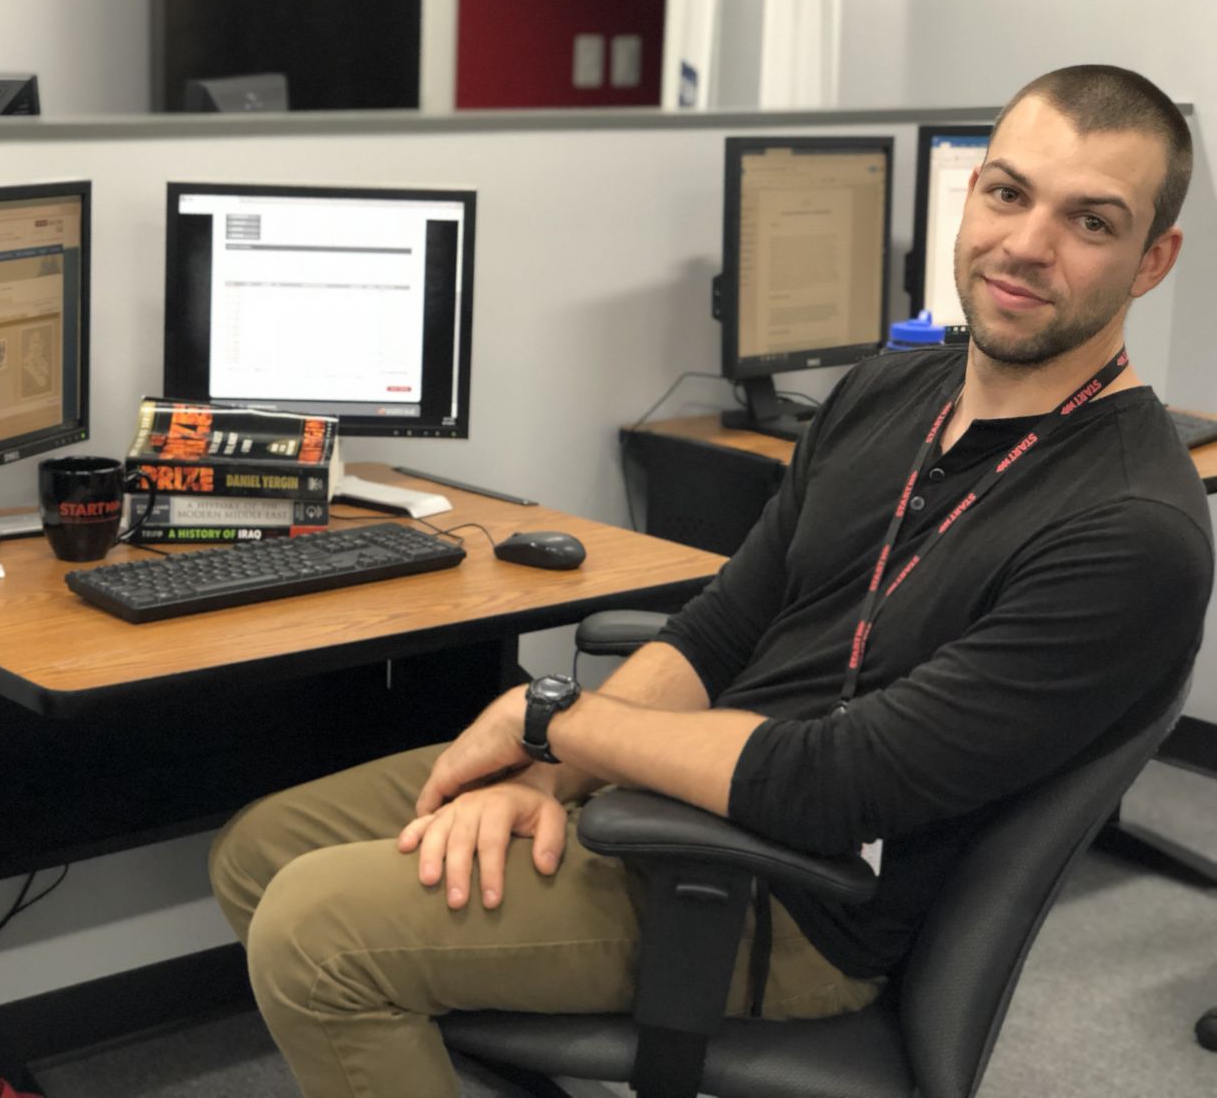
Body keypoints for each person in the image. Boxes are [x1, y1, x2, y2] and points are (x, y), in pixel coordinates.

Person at [208, 64, 1215, 1098]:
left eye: (1089, 222)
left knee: (313, 935)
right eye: (1006, 192)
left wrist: (556, 724)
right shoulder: (894, 386)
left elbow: (837, 783)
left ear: (1152, 259)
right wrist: (551, 773)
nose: (1025, 245)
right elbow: (726, 624)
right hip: (683, 787)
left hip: (800, 901)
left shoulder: (1130, 530)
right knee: (261, 850)